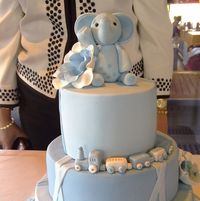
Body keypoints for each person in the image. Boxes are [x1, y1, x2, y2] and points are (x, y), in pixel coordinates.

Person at [0, 0, 173, 150]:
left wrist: (159, 107)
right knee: (43, 179)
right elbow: (5, 30)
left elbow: (155, 28)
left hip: (120, 90)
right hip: (38, 95)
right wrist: (2, 116)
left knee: (119, 177)